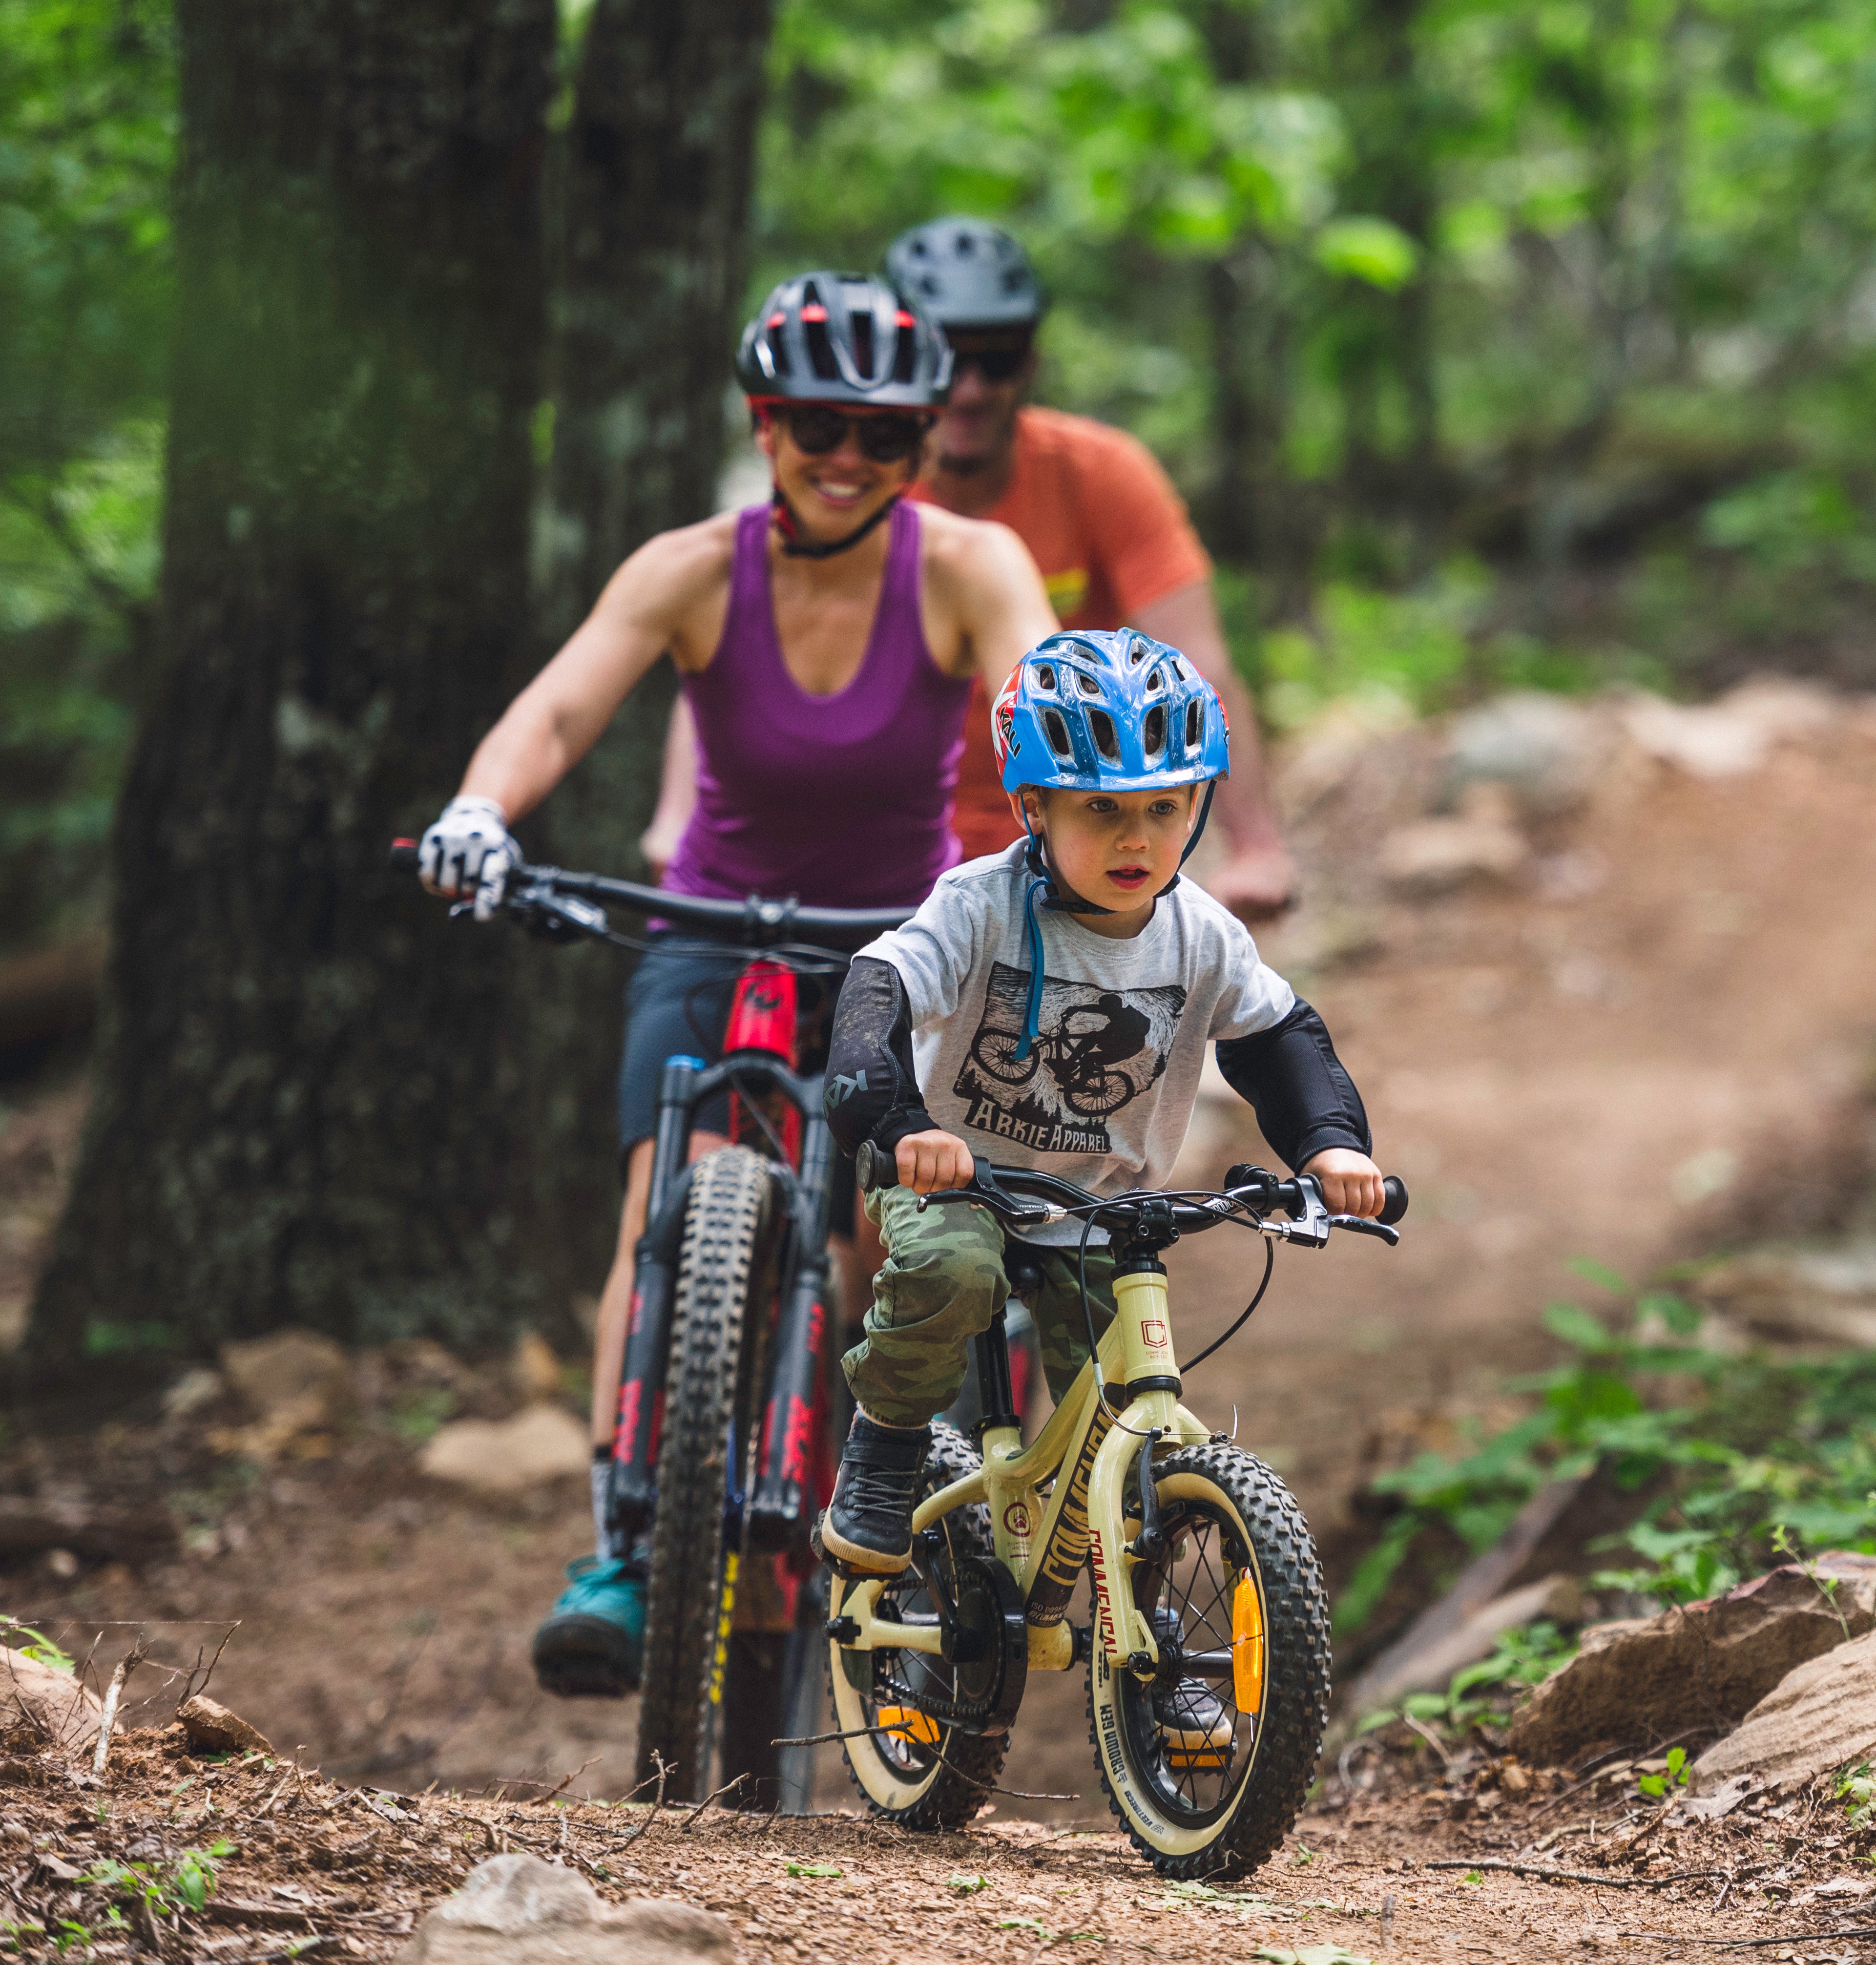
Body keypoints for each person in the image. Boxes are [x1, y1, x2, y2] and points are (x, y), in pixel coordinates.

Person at [412, 270, 1062, 1698]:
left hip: (893, 940)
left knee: (876, 1242)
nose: (847, 458)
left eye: (885, 437)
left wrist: (1064, 835)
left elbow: (1037, 694)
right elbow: (567, 701)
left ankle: (866, 1519)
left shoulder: (965, 566)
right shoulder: (690, 568)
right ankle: (624, 1546)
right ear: (765, 424)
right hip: (710, 927)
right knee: (660, 1206)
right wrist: (482, 812)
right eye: (817, 424)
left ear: (919, 448)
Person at [818, 630, 1382, 1741]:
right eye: (1100, 811)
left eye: (1166, 808)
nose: (1138, 837)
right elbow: (878, 987)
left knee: (1135, 1408)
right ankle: (886, 1445)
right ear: (1033, 805)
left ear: (1202, 806)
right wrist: (898, 1121)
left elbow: (1281, 1042)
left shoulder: (1201, 934)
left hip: (1102, 1211)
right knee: (947, 1266)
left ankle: (1162, 1645)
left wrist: (1332, 1149)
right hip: (961, 1181)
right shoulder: (979, 905)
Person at [644, 216, 1300, 919]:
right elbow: (735, 650)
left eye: (999, 358)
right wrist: (678, 816)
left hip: (1052, 848)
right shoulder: (855, 493)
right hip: (873, 859)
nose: (971, 387)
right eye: (948, 357)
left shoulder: (1102, 475)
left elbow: (1197, 664)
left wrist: (1255, 844)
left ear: (1032, 362)